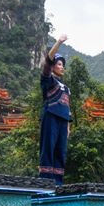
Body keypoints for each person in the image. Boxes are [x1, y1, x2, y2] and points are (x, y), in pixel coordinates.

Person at [38, 35, 71, 185]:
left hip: (63, 120)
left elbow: (67, 108)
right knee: (48, 147)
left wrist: (68, 126)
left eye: (63, 64)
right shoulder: (48, 79)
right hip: (51, 115)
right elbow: (48, 60)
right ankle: (45, 181)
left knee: (60, 151)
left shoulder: (66, 88)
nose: (62, 66)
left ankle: (57, 182)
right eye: (59, 64)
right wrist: (59, 42)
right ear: (52, 67)